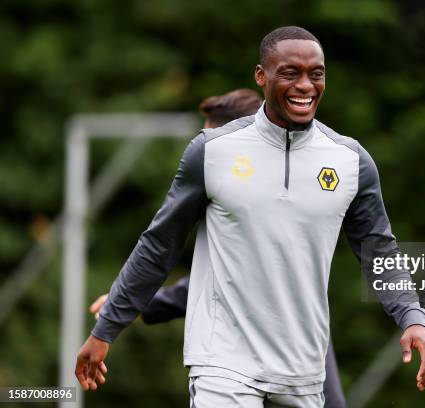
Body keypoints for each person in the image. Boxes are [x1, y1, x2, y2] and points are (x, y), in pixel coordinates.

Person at [75, 26, 425, 407]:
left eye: (316, 73)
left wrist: (413, 318)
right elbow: (158, 246)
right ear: (261, 76)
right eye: (290, 72)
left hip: (304, 368)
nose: (305, 85)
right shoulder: (211, 151)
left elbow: (379, 251)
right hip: (222, 364)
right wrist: (106, 330)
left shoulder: (351, 161)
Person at [88, 87, 347, 407]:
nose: (205, 151)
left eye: (213, 140)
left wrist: (132, 304)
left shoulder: (259, 202)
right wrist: (138, 303)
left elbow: (184, 261)